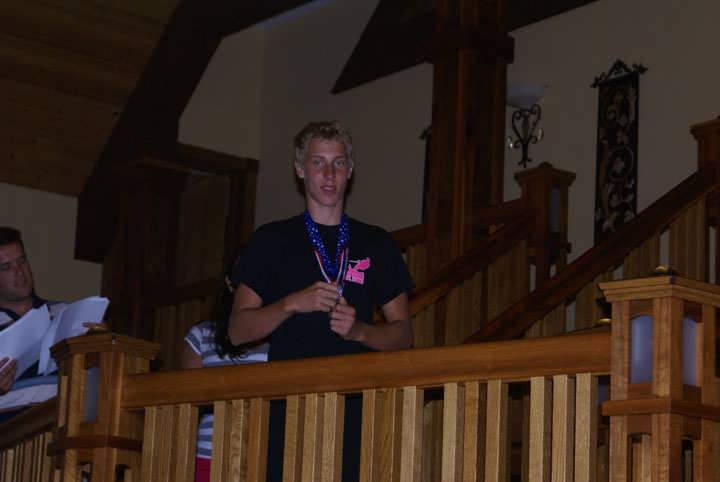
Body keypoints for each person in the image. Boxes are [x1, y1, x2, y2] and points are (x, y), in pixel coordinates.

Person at [227, 121, 414, 481]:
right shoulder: (270, 240)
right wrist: (291, 304)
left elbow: (404, 334)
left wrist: (360, 331)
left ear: (350, 170)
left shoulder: (376, 243)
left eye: (338, 163)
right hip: (288, 406)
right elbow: (237, 330)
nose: (329, 174)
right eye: (318, 163)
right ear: (300, 169)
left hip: (357, 407)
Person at [0, 227, 101, 422]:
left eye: (22, 261)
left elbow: (91, 371)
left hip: (64, 427)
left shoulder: (65, 312)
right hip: (11, 433)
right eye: (6, 267)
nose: (19, 272)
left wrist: (98, 340)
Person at [180, 262, 269, 482]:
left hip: (263, 453)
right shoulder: (203, 333)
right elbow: (184, 399)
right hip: (209, 454)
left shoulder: (283, 334)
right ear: (230, 283)